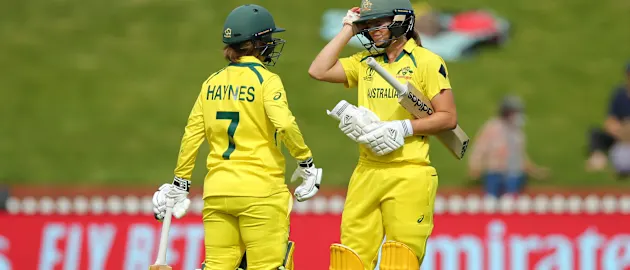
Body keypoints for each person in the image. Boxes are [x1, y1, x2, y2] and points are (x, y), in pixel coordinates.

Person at [151, 4, 323, 270]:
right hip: (260, 192)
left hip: (217, 192)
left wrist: (180, 182)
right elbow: (285, 124)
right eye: (268, 39)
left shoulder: (211, 82)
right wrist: (306, 161)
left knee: (218, 266)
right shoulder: (266, 80)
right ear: (258, 43)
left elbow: (192, 133)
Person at [309, 0, 458, 268]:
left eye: (379, 23)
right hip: (367, 170)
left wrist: (403, 127)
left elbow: (447, 118)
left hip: (408, 172)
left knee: (400, 257)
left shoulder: (427, 61)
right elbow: (318, 70)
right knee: (348, 259)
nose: (372, 30)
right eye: (368, 24)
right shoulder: (365, 62)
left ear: (400, 21)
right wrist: (348, 29)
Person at [467, 95, 550, 198]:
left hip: (514, 174)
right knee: (491, 201)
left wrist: (535, 171)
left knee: (510, 202)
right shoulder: (492, 127)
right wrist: (474, 165)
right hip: (495, 172)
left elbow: (520, 154)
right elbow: (480, 148)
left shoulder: (517, 131)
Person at [586, 62, 630, 172]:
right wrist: (620, 131)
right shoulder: (619, 94)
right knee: (595, 133)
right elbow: (610, 121)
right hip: (620, 134)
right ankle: (598, 156)